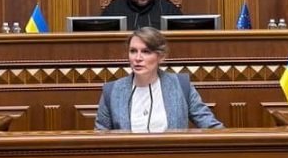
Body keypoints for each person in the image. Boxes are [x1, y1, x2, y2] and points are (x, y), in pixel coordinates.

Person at [95, 27, 224, 131]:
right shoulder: (112, 91)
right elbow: (100, 138)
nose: (137, 58)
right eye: (133, 51)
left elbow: (211, 126)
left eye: (146, 51)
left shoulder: (181, 85)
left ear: (161, 56)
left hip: (171, 155)